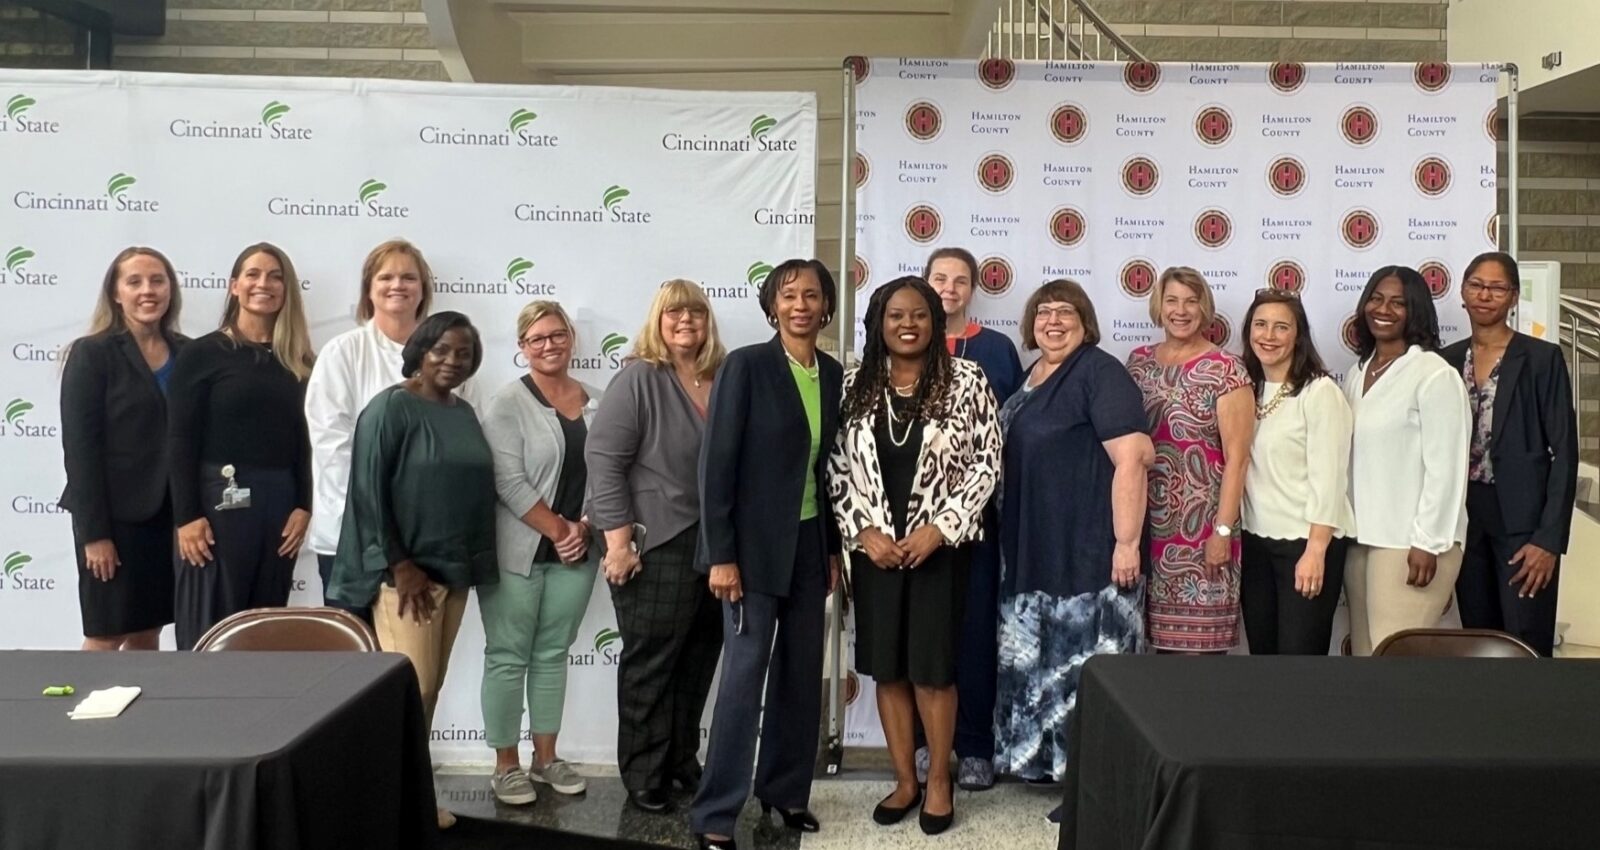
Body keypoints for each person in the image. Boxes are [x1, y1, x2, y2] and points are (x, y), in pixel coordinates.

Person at [828, 276, 1000, 835]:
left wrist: (941, 528)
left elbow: (986, 464)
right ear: (878, 321)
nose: (909, 324)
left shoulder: (967, 380)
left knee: (931, 668)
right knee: (889, 669)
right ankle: (905, 780)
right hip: (874, 552)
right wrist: (862, 530)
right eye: (897, 314)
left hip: (938, 553)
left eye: (920, 315)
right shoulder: (853, 383)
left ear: (936, 321)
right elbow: (834, 467)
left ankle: (940, 783)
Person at [691, 259, 843, 850]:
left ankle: (784, 794)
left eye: (811, 295)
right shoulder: (747, 366)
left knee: (801, 676)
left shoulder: (831, 374)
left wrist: (829, 549)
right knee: (743, 679)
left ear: (825, 306)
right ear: (772, 305)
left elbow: (826, 472)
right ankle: (715, 814)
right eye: (789, 295)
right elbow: (716, 466)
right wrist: (721, 555)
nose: (800, 304)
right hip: (750, 552)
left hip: (809, 546)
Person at [326, 311, 498, 831]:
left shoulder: (464, 413)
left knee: (430, 691)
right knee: (411, 691)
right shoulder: (390, 408)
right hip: (405, 579)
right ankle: (383, 799)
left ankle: (411, 796)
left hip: (454, 571)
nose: (451, 361)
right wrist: (399, 565)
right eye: (441, 349)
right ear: (420, 351)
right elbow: (367, 492)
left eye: (463, 353)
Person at [992, 279, 1153, 822]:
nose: (1053, 321)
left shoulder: (1100, 372)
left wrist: (1126, 543)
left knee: (1090, 669)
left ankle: (1095, 785)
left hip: (1089, 553)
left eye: (1066, 312)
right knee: (1044, 666)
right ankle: (1049, 768)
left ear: (1087, 321)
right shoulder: (1032, 375)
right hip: (1034, 547)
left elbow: (1133, 457)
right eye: (1044, 312)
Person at [587, 281, 726, 814]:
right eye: (674, 311)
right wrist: (618, 542)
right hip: (656, 543)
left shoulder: (721, 376)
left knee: (696, 662)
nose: (685, 319)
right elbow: (604, 461)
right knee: (652, 665)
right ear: (657, 320)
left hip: (715, 544)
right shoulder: (638, 378)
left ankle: (680, 761)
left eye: (694, 310)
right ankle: (644, 772)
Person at [306, 239, 474, 624]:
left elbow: (462, 444)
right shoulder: (343, 353)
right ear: (369, 289)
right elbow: (333, 445)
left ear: (423, 290)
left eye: (408, 277)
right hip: (352, 539)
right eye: (386, 277)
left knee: (415, 669)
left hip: (428, 539)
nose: (397, 285)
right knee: (355, 666)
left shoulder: (449, 360)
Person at [479, 301, 602, 806]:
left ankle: (546, 759)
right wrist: (559, 529)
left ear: (571, 339)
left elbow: (612, 469)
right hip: (519, 551)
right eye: (537, 339)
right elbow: (507, 479)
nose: (549, 345)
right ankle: (505, 765)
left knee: (553, 653)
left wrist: (586, 527)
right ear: (522, 348)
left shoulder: (598, 400)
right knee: (508, 657)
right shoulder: (507, 403)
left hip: (579, 551)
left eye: (557, 335)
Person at [168, 242, 315, 650]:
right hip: (215, 507)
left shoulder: (300, 362)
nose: (262, 284)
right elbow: (179, 440)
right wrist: (187, 516)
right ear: (234, 286)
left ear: (287, 290)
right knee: (209, 633)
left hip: (281, 506)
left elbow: (307, 443)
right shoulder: (202, 354)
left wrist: (305, 505)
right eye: (252, 274)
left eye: (274, 276)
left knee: (262, 634)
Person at [916, 247, 1022, 791]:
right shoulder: (903, 340)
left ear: (974, 289)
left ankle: (975, 745)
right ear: (925, 281)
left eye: (960, 280)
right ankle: (922, 746)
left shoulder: (997, 349)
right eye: (940, 278)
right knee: (922, 635)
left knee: (977, 631)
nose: (949, 289)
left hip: (981, 519)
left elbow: (1013, 426)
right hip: (914, 520)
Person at [1440, 252, 1576, 656]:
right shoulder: (1446, 360)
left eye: (1497, 288)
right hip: (1465, 520)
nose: (1485, 295)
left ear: (1513, 297)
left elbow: (1565, 452)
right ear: (1463, 291)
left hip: (1523, 524)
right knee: (1479, 642)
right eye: (1477, 285)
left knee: (1525, 643)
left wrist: (1548, 540)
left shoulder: (1540, 359)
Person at [59, 247, 187, 651]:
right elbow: (80, 450)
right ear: (116, 293)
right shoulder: (92, 354)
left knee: (148, 628)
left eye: (157, 280)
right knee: (106, 631)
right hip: (113, 521)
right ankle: (83, 712)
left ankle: (137, 713)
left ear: (170, 290)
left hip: (168, 517)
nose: (147, 290)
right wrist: (95, 534)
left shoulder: (189, 353)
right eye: (134, 282)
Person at [1342, 266, 1470, 656]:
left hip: (1410, 543)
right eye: (1377, 299)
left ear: (1416, 311)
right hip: (1362, 538)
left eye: (1398, 302)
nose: (1384, 309)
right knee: (1366, 660)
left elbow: (1446, 467)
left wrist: (1429, 542)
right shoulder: (1356, 372)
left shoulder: (1433, 375)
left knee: (1395, 667)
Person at [1126, 267, 1254, 653]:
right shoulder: (1138, 363)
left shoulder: (1226, 369)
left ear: (1205, 308)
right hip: (1144, 530)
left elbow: (1238, 460)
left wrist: (1223, 534)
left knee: (1199, 662)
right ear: (1158, 306)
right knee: (1151, 658)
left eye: (1191, 301)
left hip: (1202, 536)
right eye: (1172, 301)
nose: (1180, 311)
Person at [1238, 290, 1356, 655]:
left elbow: (1330, 479)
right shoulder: (1244, 390)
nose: (1268, 336)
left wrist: (1316, 550)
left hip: (1305, 544)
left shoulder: (1320, 393)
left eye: (1280, 327)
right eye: (1260, 325)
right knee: (1263, 659)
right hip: (1255, 542)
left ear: (1298, 335)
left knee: (1299, 664)